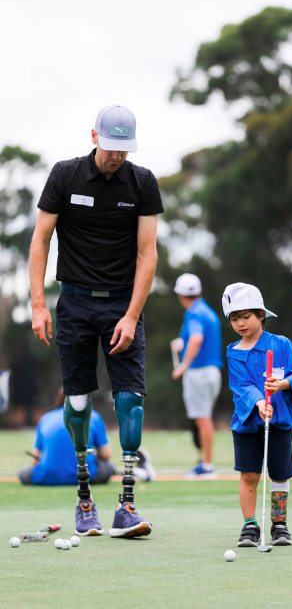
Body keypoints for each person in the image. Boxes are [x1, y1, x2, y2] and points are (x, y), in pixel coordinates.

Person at [29, 105, 164, 536]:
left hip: (123, 304)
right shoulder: (65, 176)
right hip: (74, 303)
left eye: (124, 150)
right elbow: (41, 239)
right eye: (110, 148)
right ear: (94, 137)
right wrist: (37, 304)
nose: (116, 157)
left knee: (130, 402)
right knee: (79, 401)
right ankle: (84, 499)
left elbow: (148, 253)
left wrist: (131, 315)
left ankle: (126, 505)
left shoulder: (142, 183)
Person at [222, 283, 292, 547]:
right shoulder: (233, 352)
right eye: (234, 318)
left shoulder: (283, 345)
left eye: (245, 316)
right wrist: (258, 402)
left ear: (261, 315)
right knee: (249, 475)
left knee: (279, 474)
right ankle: (250, 526)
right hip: (247, 423)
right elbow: (240, 385)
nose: (240, 323)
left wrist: (281, 385)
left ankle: (279, 525)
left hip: (278, 421)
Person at [171, 273, 223, 478]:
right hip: (212, 372)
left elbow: (196, 339)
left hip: (199, 373)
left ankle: (207, 465)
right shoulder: (208, 312)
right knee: (205, 418)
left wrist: (183, 365)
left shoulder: (193, 314)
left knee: (202, 420)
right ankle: (205, 461)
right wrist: (182, 344)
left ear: (181, 295)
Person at [19, 388, 115, 486]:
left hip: (47, 477)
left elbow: (35, 460)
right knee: (108, 467)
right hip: (86, 475)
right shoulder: (94, 416)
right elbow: (106, 454)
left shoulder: (45, 418)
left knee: (24, 472)